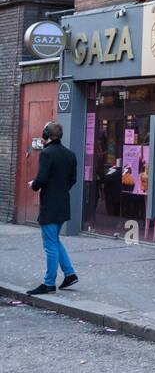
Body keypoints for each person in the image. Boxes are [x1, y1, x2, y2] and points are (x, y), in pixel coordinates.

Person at [28, 122, 78, 296]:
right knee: (55, 240)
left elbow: (41, 179)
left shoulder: (46, 154)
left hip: (50, 205)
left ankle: (49, 283)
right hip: (63, 203)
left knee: (50, 245)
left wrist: (33, 185)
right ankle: (70, 274)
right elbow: (73, 180)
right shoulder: (70, 155)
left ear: (46, 134)